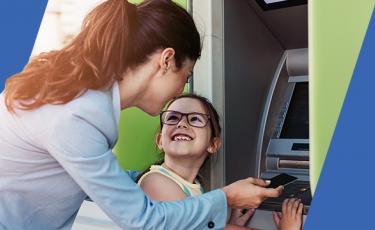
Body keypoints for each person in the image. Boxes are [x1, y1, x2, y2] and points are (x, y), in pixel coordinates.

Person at [0, 0, 282, 229]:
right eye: (185, 77)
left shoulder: (82, 99)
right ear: (166, 60)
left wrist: (145, 177)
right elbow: (143, 220)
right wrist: (227, 197)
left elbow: (78, 173)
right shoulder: (78, 115)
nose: (181, 90)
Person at [137, 94, 303, 230]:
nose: (182, 124)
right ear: (160, 140)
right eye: (173, 118)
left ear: (213, 144)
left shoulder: (192, 186)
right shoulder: (155, 182)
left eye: (195, 119)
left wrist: (231, 225)